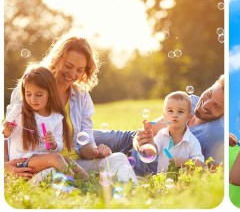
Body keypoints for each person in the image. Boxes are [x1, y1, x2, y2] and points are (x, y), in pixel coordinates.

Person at [6, 36, 137, 184]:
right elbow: (6, 134)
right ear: (56, 59)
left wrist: (95, 152)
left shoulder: (81, 96)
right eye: (68, 66)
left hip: (75, 165)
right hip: (41, 165)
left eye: (80, 70)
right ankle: (83, 187)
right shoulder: (28, 90)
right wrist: (4, 166)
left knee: (118, 158)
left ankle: (133, 196)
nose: (73, 74)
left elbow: (84, 139)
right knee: (52, 175)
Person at [92, 75, 225, 177]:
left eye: (217, 106)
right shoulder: (190, 101)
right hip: (129, 142)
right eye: (208, 95)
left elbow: (212, 173)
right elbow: (152, 132)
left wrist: (181, 162)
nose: (206, 105)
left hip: (140, 170)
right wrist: (142, 140)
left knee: (95, 163)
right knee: (83, 137)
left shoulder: (216, 134)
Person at [3, 64, 87, 179]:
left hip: (43, 159)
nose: (33, 100)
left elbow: (59, 146)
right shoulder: (18, 111)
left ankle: (88, 183)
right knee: (56, 158)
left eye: (39, 95)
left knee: (69, 160)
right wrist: (7, 131)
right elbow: (4, 136)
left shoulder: (56, 117)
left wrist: (53, 144)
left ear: (50, 94)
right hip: (22, 160)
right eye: (28, 94)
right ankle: (73, 183)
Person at [141, 91, 204, 173]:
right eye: (170, 111)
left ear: (188, 117)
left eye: (180, 111)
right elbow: (151, 152)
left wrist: (184, 162)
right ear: (164, 116)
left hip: (183, 183)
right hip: (163, 181)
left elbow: (201, 164)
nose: (174, 115)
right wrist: (149, 140)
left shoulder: (192, 141)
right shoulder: (161, 135)